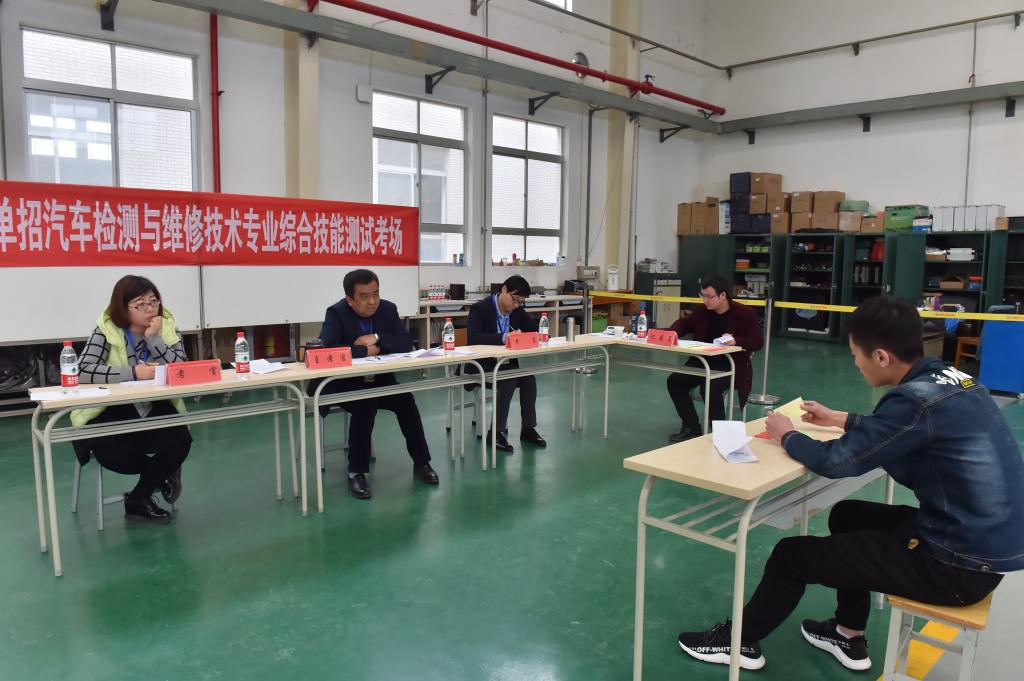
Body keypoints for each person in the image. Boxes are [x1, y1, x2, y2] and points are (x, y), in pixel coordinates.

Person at [677, 295, 1024, 672]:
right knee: (847, 515)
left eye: (857, 355)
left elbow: (836, 461)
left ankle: (738, 643)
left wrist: (787, 435)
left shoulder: (912, 400)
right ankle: (848, 632)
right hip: (976, 545)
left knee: (790, 556)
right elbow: (904, 428)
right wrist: (840, 419)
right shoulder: (951, 379)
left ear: (881, 357)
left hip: (953, 566)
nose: (855, 364)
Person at [71, 275, 192, 522]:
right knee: (109, 451)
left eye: (154, 301)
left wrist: (154, 339)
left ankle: (138, 498)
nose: (150, 309)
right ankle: (163, 476)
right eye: (141, 304)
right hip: (113, 407)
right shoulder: (107, 330)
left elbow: (182, 368)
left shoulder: (166, 326)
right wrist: (133, 373)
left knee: (180, 440)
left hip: (155, 405)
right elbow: (81, 370)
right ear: (122, 307)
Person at [316, 269, 438, 500]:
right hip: (347, 385)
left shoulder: (388, 309)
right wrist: (366, 351)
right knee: (366, 404)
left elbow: (406, 342)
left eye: (375, 294)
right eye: (364, 296)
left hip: (381, 380)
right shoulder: (336, 313)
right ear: (349, 299)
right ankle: (356, 472)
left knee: (406, 401)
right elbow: (329, 350)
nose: (372, 301)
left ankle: (422, 462)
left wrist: (378, 339)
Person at [665, 273, 763, 442]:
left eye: (709, 297)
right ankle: (691, 427)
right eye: (702, 296)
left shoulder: (744, 314)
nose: (705, 300)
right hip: (702, 361)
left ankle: (719, 432)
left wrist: (736, 341)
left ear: (723, 295)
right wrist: (672, 333)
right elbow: (685, 323)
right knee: (675, 381)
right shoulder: (702, 311)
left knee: (709, 387)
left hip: (730, 364)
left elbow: (757, 341)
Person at [465, 275, 546, 453]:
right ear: (504, 290)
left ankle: (528, 429)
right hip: (481, 365)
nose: (516, 305)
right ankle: (495, 433)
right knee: (509, 378)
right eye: (515, 300)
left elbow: (534, 330)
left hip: (506, 364)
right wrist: (504, 337)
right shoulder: (480, 309)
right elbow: (473, 337)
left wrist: (537, 333)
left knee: (528, 379)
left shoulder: (517, 311)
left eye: (521, 302)